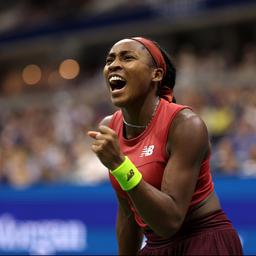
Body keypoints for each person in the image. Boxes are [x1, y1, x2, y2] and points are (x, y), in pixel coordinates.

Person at [88, 37, 243, 255]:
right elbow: (127, 214)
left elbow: (169, 222)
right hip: (156, 246)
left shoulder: (186, 125)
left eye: (128, 57)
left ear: (156, 74)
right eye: (109, 60)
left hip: (203, 240)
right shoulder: (110, 126)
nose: (113, 65)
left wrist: (120, 164)